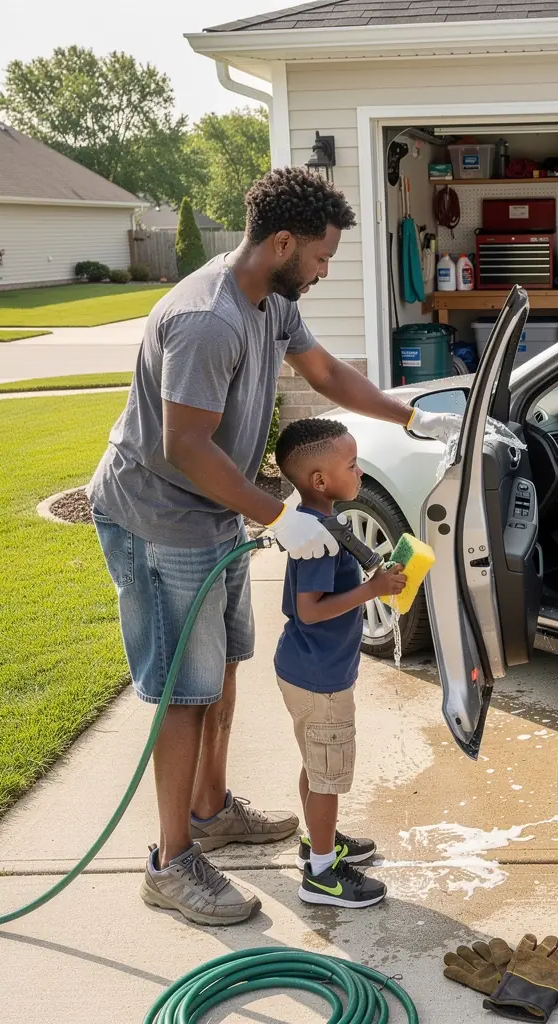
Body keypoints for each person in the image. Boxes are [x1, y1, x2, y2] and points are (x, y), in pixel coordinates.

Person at [87, 167, 457, 927]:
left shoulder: (273, 303)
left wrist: (409, 417)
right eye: (321, 258)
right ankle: (172, 861)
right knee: (182, 696)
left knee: (220, 673)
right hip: (158, 517)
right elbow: (186, 445)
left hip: (212, 513)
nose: (323, 272)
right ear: (282, 241)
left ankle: (211, 810)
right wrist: (275, 514)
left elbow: (324, 373)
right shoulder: (207, 319)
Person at [271, 417, 406, 908]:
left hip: (306, 671)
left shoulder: (321, 523)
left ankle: (317, 842)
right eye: (352, 466)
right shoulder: (318, 541)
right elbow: (311, 609)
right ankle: (323, 876)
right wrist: (371, 590)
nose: (360, 474)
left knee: (315, 763)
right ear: (320, 481)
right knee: (327, 774)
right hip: (319, 679)